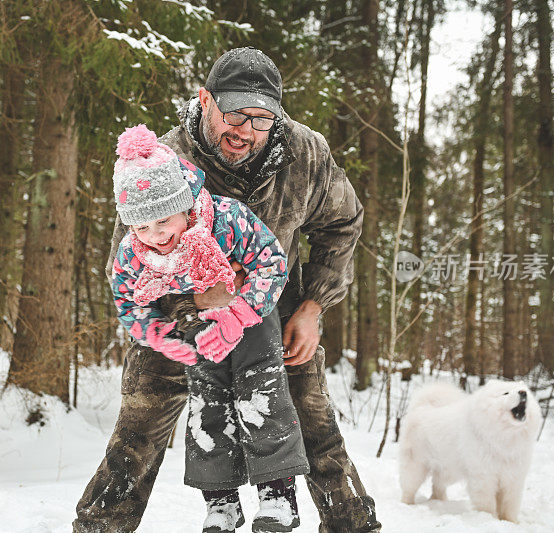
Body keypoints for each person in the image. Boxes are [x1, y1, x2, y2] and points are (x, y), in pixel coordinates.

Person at [74, 47, 381, 533]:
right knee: (137, 436)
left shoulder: (305, 153)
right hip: (178, 319)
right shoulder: (162, 161)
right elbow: (128, 268)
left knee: (316, 427)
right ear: (205, 101)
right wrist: (198, 301)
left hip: (270, 311)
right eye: (234, 113)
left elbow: (343, 223)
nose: (245, 129)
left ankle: (353, 527)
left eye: (261, 119)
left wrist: (312, 305)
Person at [108, 123, 309, 532]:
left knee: (261, 393)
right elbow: (126, 299)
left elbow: (272, 262)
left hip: (250, 311)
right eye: (141, 227)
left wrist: (238, 314)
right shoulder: (134, 251)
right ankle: (220, 502)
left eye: (163, 220)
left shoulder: (226, 219)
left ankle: (277, 495)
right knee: (207, 404)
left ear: (184, 205)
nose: (156, 235)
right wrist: (156, 335)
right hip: (195, 321)